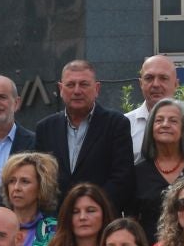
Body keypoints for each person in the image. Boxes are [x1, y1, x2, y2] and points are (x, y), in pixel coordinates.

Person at [36, 59, 135, 206]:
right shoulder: (45, 128)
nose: (77, 91)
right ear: (61, 88)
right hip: (57, 219)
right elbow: (41, 178)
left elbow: (122, 177)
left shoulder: (116, 124)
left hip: (101, 215)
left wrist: (92, 207)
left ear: (97, 88)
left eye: (83, 84)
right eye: (70, 85)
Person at [130, 98, 184, 245]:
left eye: (173, 121)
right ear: (151, 128)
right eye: (159, 120)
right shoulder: (138, 173)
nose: (165, 125)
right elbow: (132, 221)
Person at [127, 55, 184, 159]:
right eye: (149, 78)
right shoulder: (125, 125)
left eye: (163, 78)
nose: (156, 84)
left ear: (176, 84)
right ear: (141, 84)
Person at [1, 151, 60, 246]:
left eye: (25, 181)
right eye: (12, 181)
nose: (16, 188)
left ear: (41, 187)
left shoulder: (53, 229)